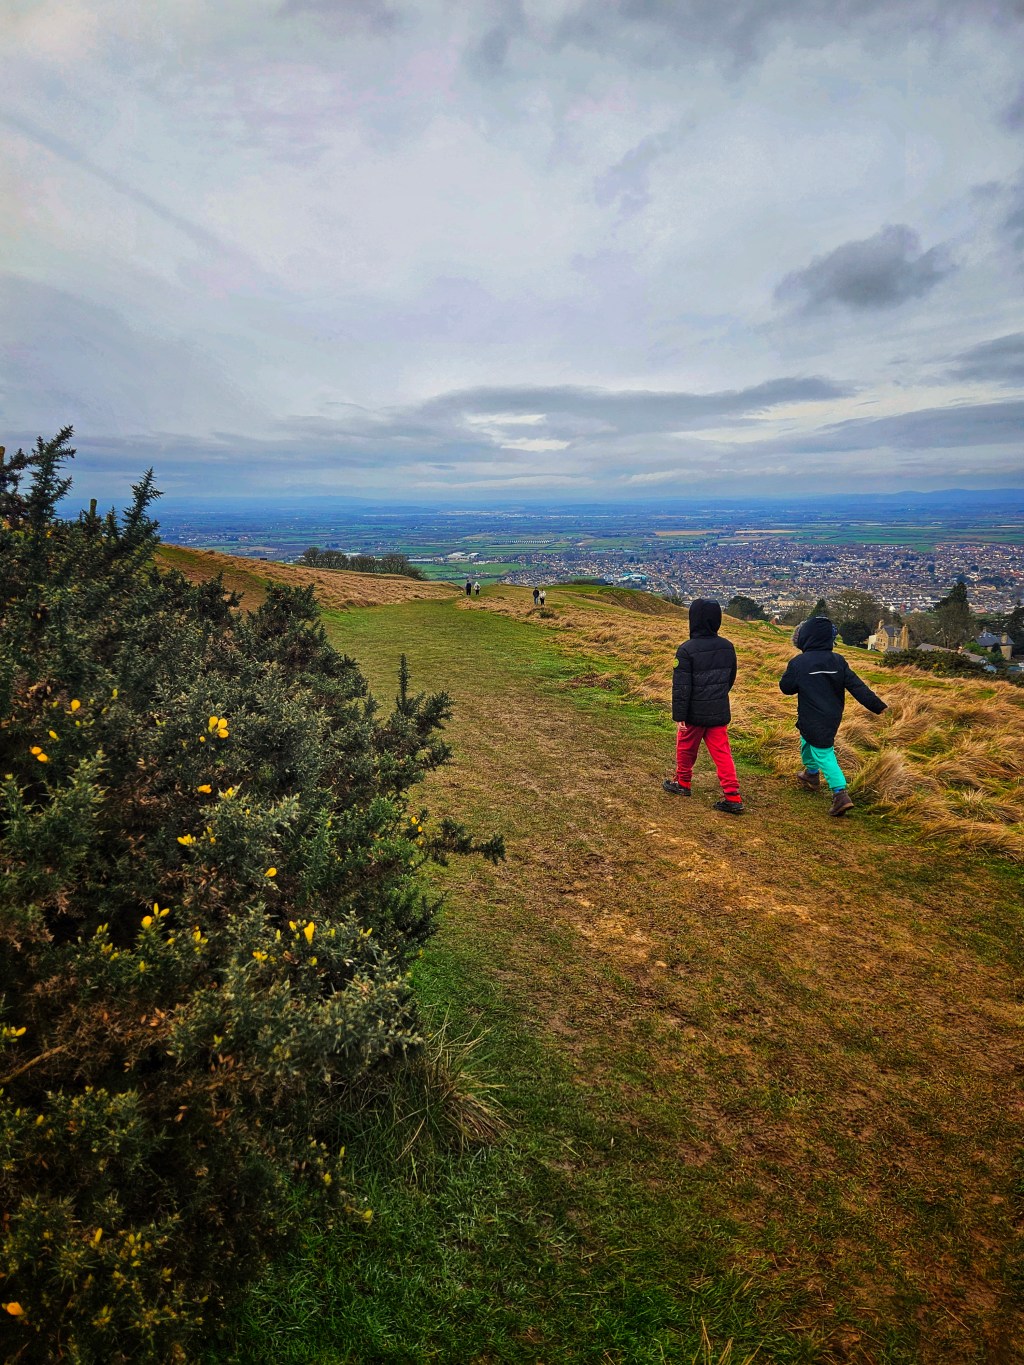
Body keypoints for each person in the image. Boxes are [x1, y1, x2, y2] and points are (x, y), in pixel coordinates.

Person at [779, 616, 887, 817]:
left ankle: (840, 794)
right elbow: (857, 686)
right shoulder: (838, 661)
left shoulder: (799, 662)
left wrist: (795, 676)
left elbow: (786, 688)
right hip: (832, 716)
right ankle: (811, 774)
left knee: (823, 752)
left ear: (805, 638)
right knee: (807, 742)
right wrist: (877, 705)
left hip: (811, 714)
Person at [664, 598, 744, 814]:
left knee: (686, 748)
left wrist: (679, 715)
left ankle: (683, 783)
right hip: (718, 710)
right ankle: (732, 796)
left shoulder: (686, 650)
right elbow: (730, 678)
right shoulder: (727, 647)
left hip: (693, 713)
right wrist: (717, 696)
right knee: (722, 753)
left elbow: (681, 687)